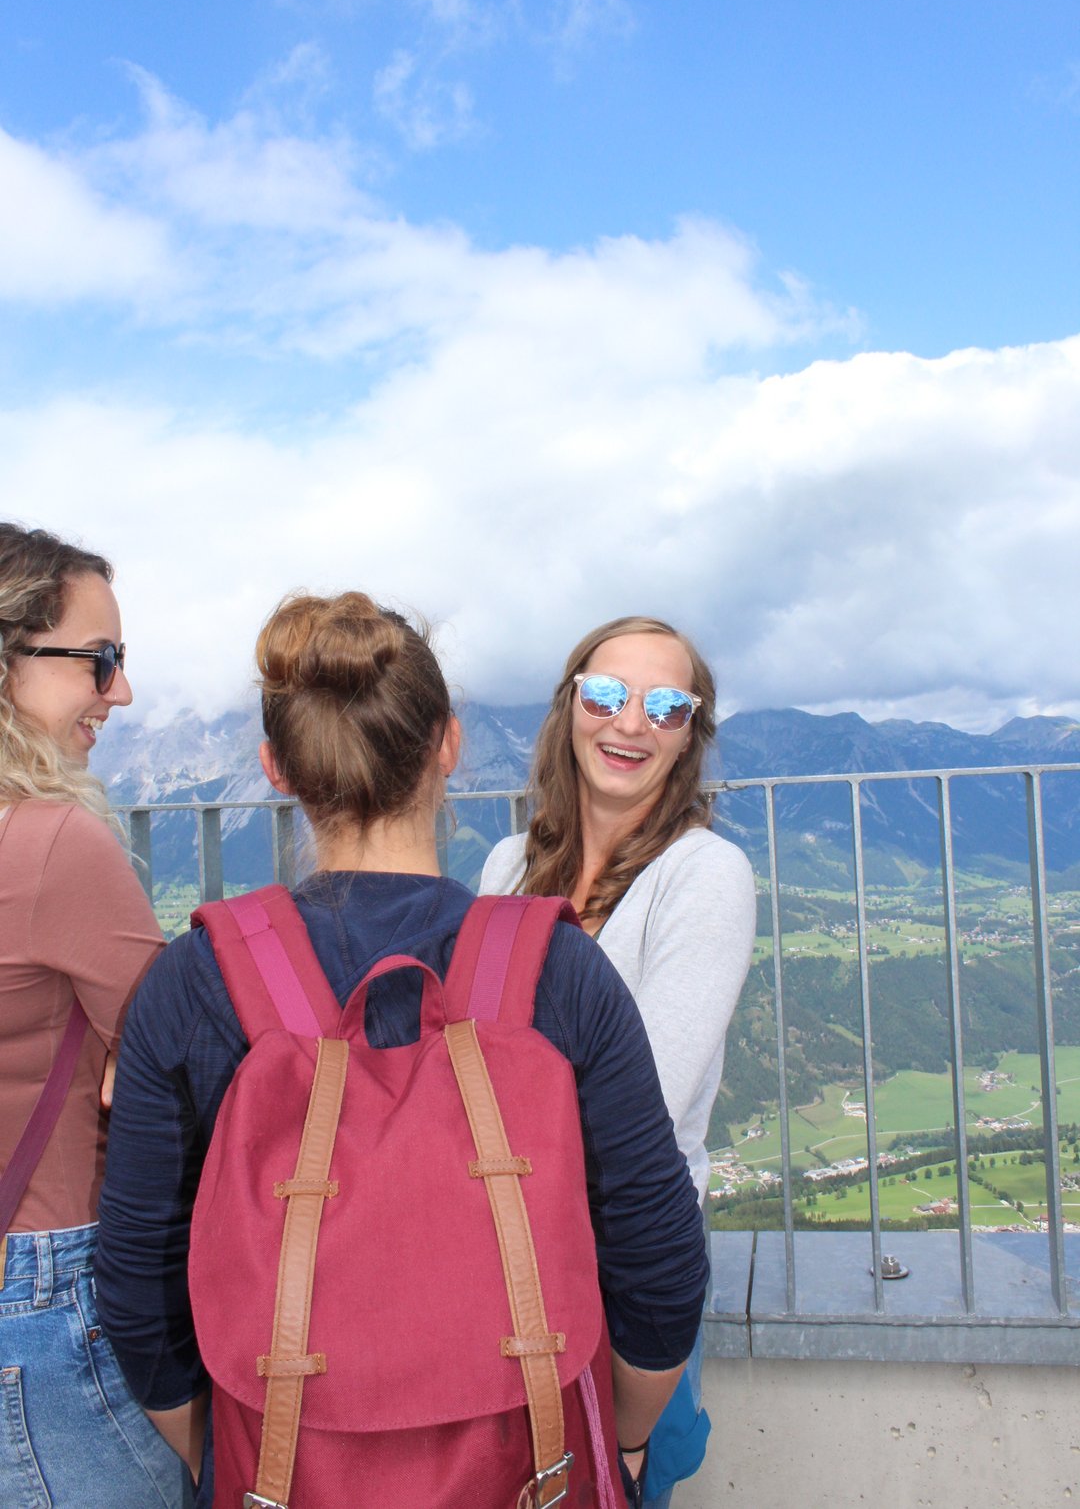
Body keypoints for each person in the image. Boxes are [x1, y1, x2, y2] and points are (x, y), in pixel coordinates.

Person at [95, 591, 708, 1506]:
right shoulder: (555, 968)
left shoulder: (198, 979)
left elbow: (139, 1282)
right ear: (447, 747)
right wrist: (614, 1441)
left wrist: (217, 1451)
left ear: (276, 768)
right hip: (533, 1465)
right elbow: (658, 1260)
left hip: (279, 1469)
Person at [480, 614, 756, 1507]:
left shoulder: (704, 875)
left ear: (689, 736)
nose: (631, 723)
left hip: (627, 1259)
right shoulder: (505, 866)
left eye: (666, 706)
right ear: (569, 708)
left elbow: (647, 1106)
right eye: (605, 695)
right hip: (506, 1251)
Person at [0, 521, 193, 1509]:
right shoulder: (49, 842)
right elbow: (184, 1054)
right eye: (101, 659)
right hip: (41, 1289)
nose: (120, 693)